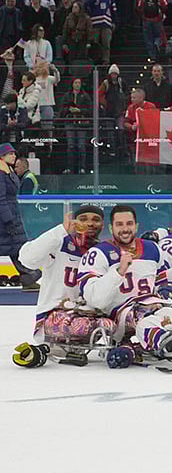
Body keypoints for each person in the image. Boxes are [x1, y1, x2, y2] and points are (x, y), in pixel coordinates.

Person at [76, 205, 172, 364]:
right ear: (111, 227)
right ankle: (163, 341)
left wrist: (170, 284)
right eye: (119, 224)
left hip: (153, 304)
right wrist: (119, 271)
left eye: (129, 224)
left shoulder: (152, 249)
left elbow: (161, 280)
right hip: (122, 313)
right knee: (145, 318)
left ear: (136, 226)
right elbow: (95, 299)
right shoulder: (98, 253)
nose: (125, 229)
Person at [16, 206, 105, 347]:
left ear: (103, 225)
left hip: (86, 317)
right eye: (83, 219)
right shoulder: (59, 243)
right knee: (83, 325)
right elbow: (27, 259)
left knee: (111, 324)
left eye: (96, 220)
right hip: (53, 317)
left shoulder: (102, 252)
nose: (90, 223)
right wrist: (61, 230)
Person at [0, 142, 29, 285]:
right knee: (16, 247)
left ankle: (28, 276)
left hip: (10, 215)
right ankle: (29, 276)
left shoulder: (7, 170)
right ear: (2, 156)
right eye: (10, 153)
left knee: (15, 247)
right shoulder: (1, 172)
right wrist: (8, 220)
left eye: (14, 153)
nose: (14, 156)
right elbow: (1, 199)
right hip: (6, 218)